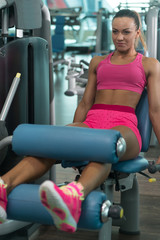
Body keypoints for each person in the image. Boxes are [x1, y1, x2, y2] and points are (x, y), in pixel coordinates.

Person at [0, 8, 160, 232]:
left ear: (137, 32)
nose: (119, 37)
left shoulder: (149, 64)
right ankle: (2, 187)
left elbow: (155, 111)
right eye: (115, 31)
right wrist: (72, 137)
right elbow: (85, 103)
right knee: (49, 146)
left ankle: (74, 195)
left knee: (105, 146)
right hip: (93, 120)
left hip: (124, 126)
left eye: (126, 32)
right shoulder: (98, 61)